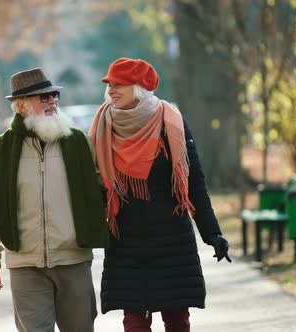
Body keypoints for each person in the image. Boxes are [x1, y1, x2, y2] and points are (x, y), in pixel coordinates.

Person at [88, 58, 232, 332]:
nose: (111, 90)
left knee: (177, 321)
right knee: (134, 324)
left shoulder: (171, 123)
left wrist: (212, 233)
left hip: (172, 241)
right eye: (110, 85)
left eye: (119, 84)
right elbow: (95, 188)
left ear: (139, 87)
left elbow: (194, 182)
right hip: (126, 243)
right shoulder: (102, 126)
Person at [0, 67, 110, 331]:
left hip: (73, 260)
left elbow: (104, 194)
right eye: (44, 97)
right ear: (22, 106)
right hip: (25, 264)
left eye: (54, 95)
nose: (53, 101)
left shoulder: (79, 143)